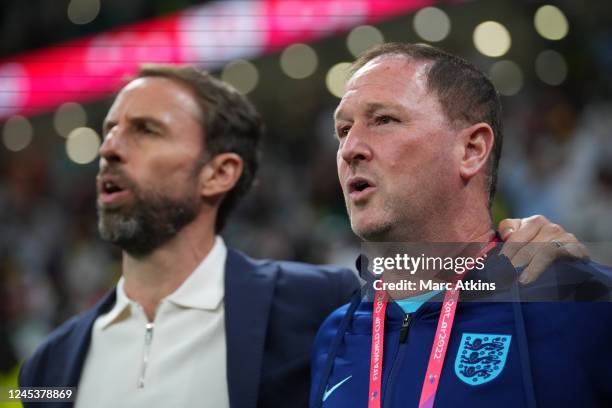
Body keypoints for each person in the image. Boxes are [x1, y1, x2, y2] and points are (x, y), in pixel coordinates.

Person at [18, 64, 588, 408]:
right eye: (110, 129)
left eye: (144, 130)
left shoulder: (317, 305)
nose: (110, 147)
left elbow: (439, 285)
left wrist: (528, 250)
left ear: (221, 172)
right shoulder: (46, 368)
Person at [310, 43, 612, 408]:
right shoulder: (335, 334)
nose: (349, 148)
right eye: (343, 129)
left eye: (384, 120)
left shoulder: (577, 301)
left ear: (471, 149)